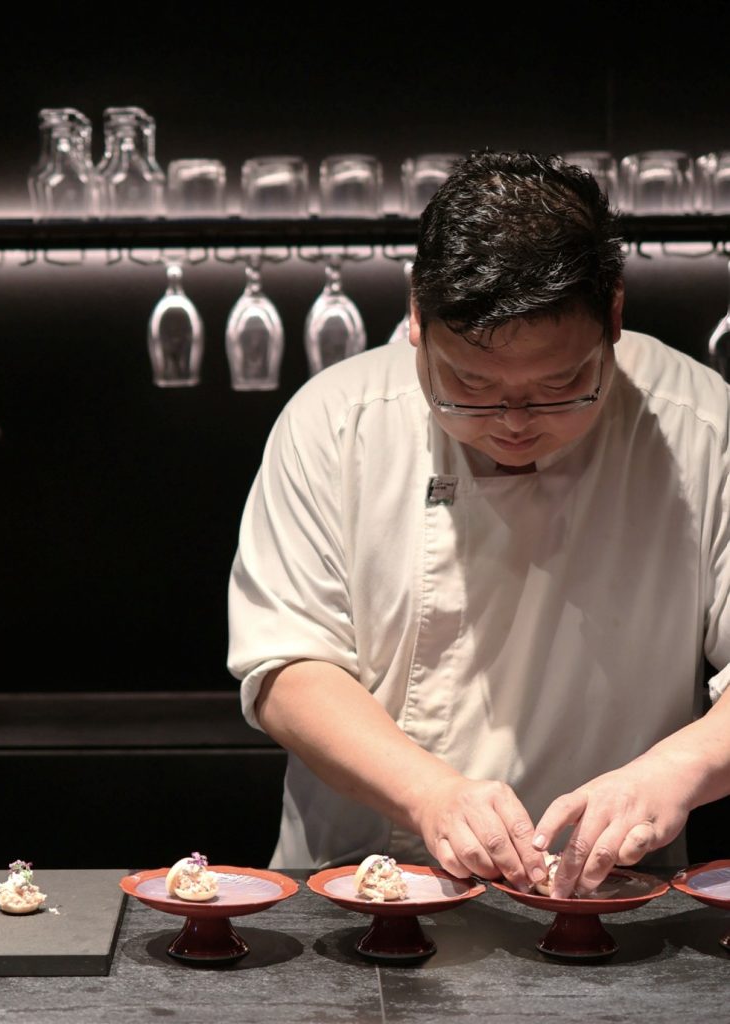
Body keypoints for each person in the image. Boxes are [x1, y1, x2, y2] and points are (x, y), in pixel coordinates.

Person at [227, 150, 730, 899]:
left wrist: (670, 773)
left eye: (560, 386)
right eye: (469, 386)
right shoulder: (334, 421)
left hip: (607, 892)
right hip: (359, 882)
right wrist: (429, 791)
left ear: (614, 317)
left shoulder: (702, 426)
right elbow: (286, 668)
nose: (514, 423)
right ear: (416, 318)